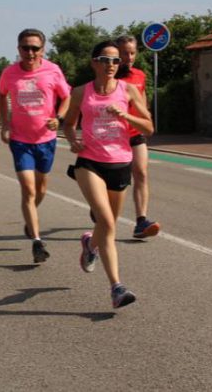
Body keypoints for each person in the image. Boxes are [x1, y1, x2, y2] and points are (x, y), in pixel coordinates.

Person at [62, 40, 154, 308]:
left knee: (105, 225)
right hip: (89, 162)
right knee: (108, 223)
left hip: (120, 163)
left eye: (116, 60)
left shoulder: (128, 90)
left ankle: (90, 244)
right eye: (105, 60)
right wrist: (73, 140)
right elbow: (69, 123)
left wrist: (126, 115)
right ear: (94, 63)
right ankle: (117, 288)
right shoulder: (81, 92)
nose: (112, 65)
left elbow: (148, 127)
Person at [0, 28, 71, 263]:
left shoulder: (53, 70)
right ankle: (37, 241)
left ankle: (30, 220)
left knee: (41, 190)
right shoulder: (9, 73)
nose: (30, 52)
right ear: (18, 49)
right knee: (28, 190)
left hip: (46, 139)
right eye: (25, 48)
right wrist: (5, 123)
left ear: (42, 50)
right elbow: (1, 95)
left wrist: (59, 118)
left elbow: (66, 97)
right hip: (20, 140)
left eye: (34, 48)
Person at [115, 35, 161, 238]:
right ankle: (100, 205)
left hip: (135, 133)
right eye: (125, 53)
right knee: (115, 180)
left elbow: (142, 102)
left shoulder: (140, 75)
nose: (129, 57)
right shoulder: (108, 75)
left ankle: (141, 221)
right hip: (113, 136)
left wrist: (147, 118)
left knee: (141, 172)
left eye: (132, 53)